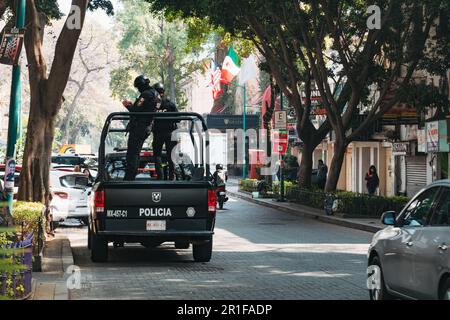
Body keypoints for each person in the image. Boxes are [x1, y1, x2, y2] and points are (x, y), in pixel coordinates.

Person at [122, 75, 161, 181]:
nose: (138, 90)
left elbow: (136, 110)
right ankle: (131, 176)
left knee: (132, 154)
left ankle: (129, 178)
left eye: (138, 87)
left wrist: (127, 106)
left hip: (139, 127)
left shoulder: (146, 94)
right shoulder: (157, 95)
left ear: (141, 85)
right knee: (136, 153)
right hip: (147, 127)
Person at [152, 83, 179, 180]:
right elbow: (178, 119)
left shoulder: (154, 105)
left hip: (158, 133)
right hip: (170, 133)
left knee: (157, 155)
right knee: (171, 155)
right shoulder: (170, 104)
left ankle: (160, 176)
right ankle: (171, 177)